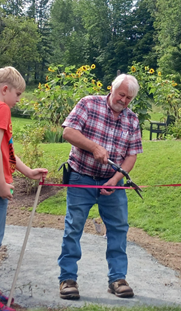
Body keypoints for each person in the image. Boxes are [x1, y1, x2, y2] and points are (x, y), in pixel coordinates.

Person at [58, 74, 143, 300]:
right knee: (73, 227)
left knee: (118, 229)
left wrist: (115, 180)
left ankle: (117, 279)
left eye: (129, 98)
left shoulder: (132, 120)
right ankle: (67, 279)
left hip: (112, 183)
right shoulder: (88, 104)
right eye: (121, 94)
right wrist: (94, 147)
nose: (124, 100)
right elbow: (68, 132)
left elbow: (131, 156)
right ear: (112, 90)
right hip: (81, 177)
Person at [0, 66, 48, 311]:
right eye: (18, 94)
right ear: (6, 89)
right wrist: (2, 183)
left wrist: (27, 171)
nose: (19, 100)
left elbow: (5, 149)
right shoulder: (1, 108)